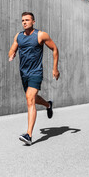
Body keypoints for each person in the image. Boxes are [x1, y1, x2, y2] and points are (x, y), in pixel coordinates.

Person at [9, 12, 60, 146]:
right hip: (24, 73)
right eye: (22, 20)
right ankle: (48, 105)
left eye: (27, 20)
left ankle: (29, 135)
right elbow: (12, 50)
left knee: (30, 98)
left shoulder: (40, 35)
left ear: (33, 22)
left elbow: (54, 49)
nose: (24, 22)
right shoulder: (18, 36)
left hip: (36, 72)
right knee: (32, 98)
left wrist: (55, 68)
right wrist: (12, 54)